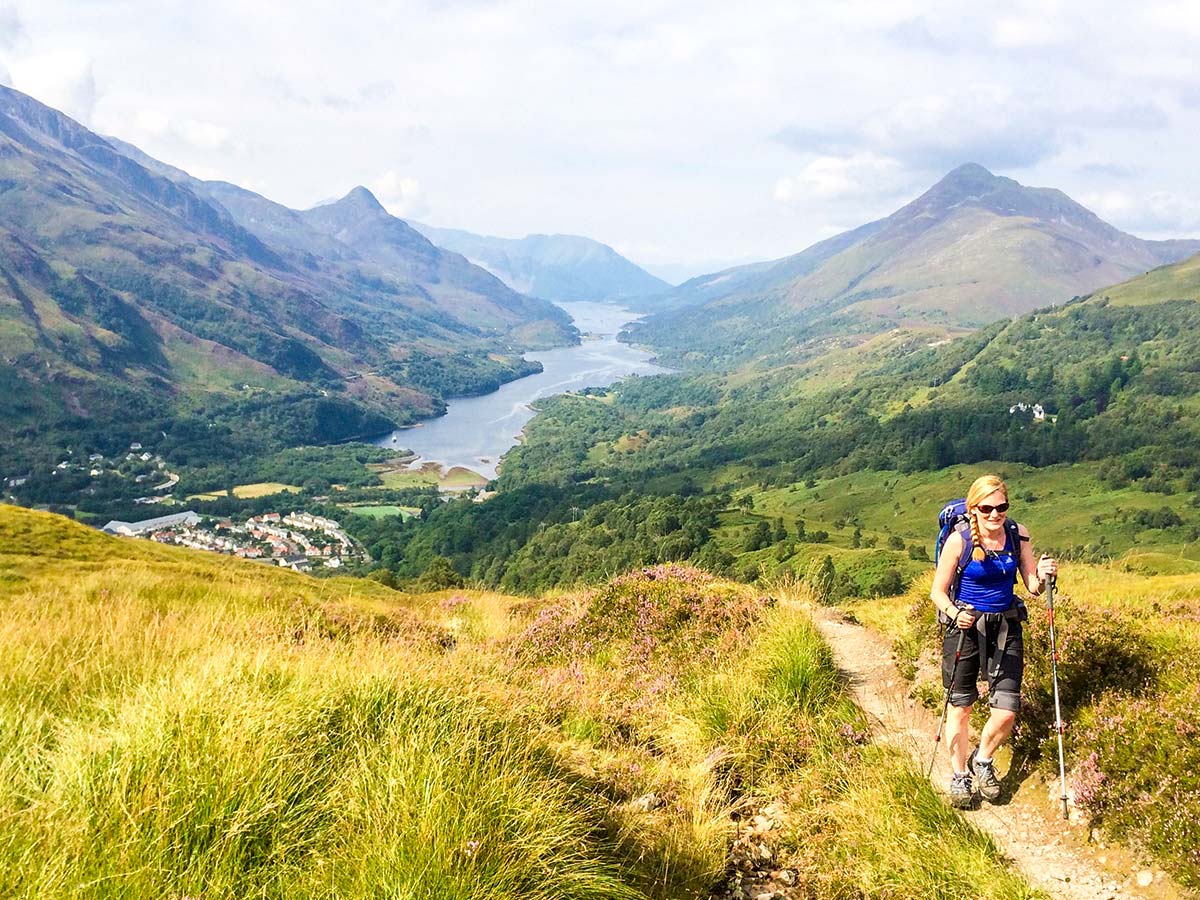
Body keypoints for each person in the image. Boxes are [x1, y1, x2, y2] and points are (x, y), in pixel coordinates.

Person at [929, 474, 1057, 808]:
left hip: (1006, 628)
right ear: (974, 508)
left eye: (1001, 507)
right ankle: (959, 775)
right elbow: (937, 592)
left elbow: (1031, 585)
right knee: (961, 706)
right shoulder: (960, 541)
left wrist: (1043, 575)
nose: (994, 514)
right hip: (965, 629)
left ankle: (982, 760)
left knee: (1006, 710)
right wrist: (955, 614)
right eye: (986, 508)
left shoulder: (1017, 534)